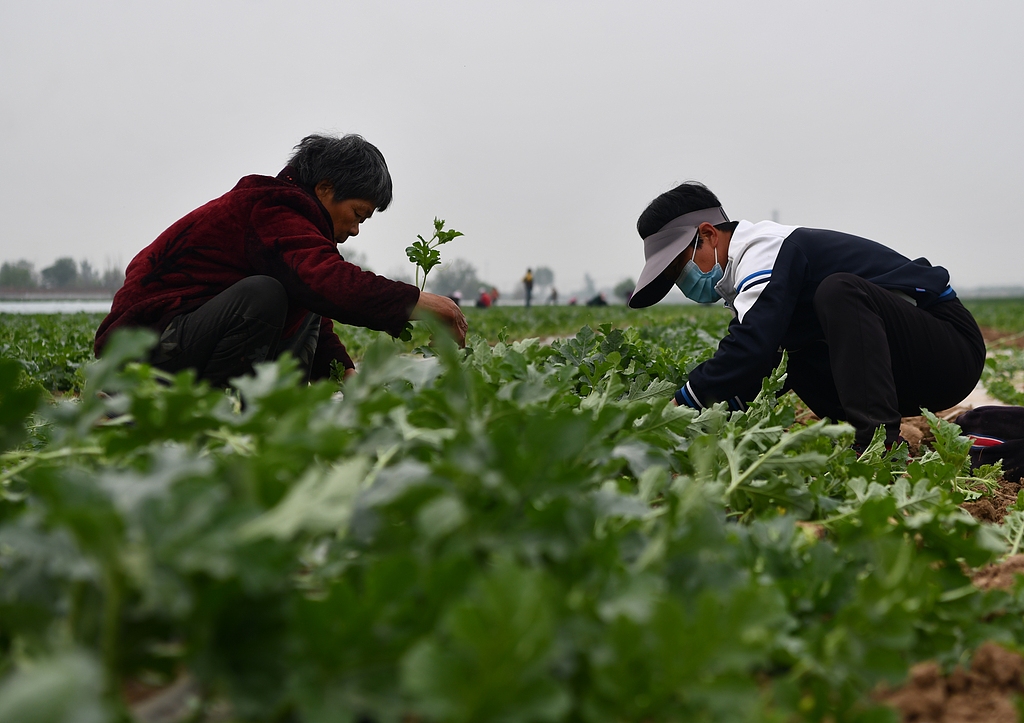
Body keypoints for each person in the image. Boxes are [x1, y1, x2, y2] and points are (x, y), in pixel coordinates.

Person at [628, 181, 985, 450]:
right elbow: (759, 365)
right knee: (788, 351)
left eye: (680, 267)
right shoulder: (750, 277)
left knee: (838, 292)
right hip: (908, 371)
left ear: (707, 234)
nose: (682, 281)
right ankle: (867, 437)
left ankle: (877, 445)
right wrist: (698, 422)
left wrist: (675, 404)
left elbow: (749, 348)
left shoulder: (764, 250)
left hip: (950, 350)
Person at [95, 134, 467, 386]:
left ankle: (273, 410)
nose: (355, 230)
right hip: (141, 349)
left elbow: (314, 305)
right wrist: (428, 305)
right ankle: (216, 412)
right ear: (324, 189)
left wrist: (346, 376)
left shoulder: (294, 225)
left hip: (181, 339)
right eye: (357, 213)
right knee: (265, 294)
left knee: (295, 290)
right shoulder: (272, 208)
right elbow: (329, 283)